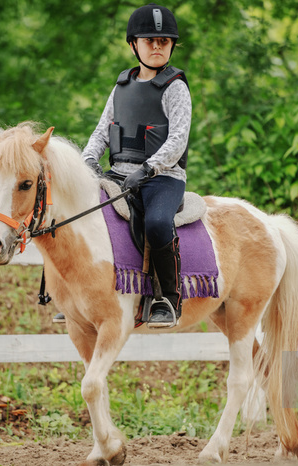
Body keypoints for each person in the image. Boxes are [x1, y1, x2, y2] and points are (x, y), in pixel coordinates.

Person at [54, 3, 191, 328]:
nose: (157, 47)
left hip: (163, 177)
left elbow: (178, 140)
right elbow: (102, 132)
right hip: (119, 174)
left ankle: (168, 299)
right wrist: (88, 162)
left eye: (164, 41)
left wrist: (149, 169)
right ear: (134, 45)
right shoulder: (121, 87)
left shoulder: (176, 88)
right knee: (70, 213)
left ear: (171, 45)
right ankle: (71, 293)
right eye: (149, 41)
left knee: (158, 222)